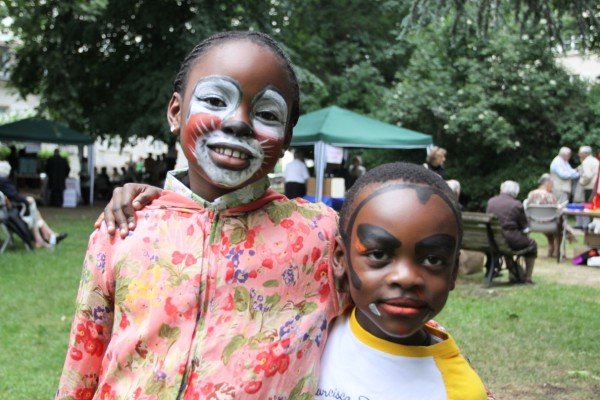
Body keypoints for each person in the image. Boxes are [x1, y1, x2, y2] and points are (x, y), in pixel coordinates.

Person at [56, 31, 339, 400]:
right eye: (215, 100)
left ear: (285, 137)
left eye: (267, 114)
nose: (238, 122)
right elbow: (84, 358)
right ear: (176, 112)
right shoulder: (124, 228)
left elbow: (394, 308)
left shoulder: (322, 235)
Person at [315, 162, 488, 399]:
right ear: (340, 259)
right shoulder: (312, 336)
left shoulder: (459, 392)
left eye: (433, 260)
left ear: (453, 272)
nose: (406, 278)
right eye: (378, 255)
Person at [0, 161, 67, 248]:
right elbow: (14, 196)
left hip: (7, 211)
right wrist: (26, 200)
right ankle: (48, 236)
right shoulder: (3, 181)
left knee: (34, 210)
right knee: (32, 205)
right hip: (9, 213)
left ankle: (47, 236)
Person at [486, 181, 537, 284]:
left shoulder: (491, 201)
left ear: (502, 190)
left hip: (491, 239)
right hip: (509, 239)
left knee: (504, 243)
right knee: (532, 244)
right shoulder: (516, 205)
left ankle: (514, 271)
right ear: (515, 193)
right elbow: (525, 228)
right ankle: (528, 277)